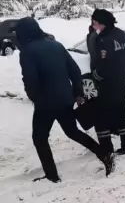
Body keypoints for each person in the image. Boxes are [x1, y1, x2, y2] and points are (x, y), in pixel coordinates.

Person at [16, 17, 115, 183]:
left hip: (45, 104)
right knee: (72, 131)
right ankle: (104, 154)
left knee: (39, 138)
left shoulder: (27, 51)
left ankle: (52, 176)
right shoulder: (56, 45)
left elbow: (30, 80)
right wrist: (77, 93)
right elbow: (75, 70)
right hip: (65, 99)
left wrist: (34, 97)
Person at [90, 9, 125, 155]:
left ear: (103, 23)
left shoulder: (103, 39)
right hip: (121, 81)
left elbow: (103, 63)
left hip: (108, 83)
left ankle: (106, 148)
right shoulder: (121, 34)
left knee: (101, 114)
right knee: (121, 112)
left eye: (95, 23)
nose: (93, 26)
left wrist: (96, 74)